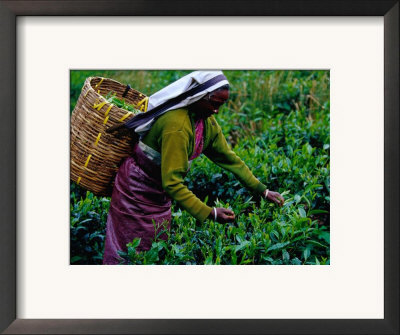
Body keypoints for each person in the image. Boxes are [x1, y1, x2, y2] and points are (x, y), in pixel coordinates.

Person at [102, 71, 284, 265]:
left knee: (154, 245)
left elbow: (228, 158)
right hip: (136, 190)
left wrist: (262, 190)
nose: (217, 111)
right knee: (130, 250)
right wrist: (210, 212)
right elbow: (172, 183)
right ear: (198, 97)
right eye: (214, 104)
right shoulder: (177, 125)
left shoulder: (204, 121)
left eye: (221, 105)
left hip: (159, 192)